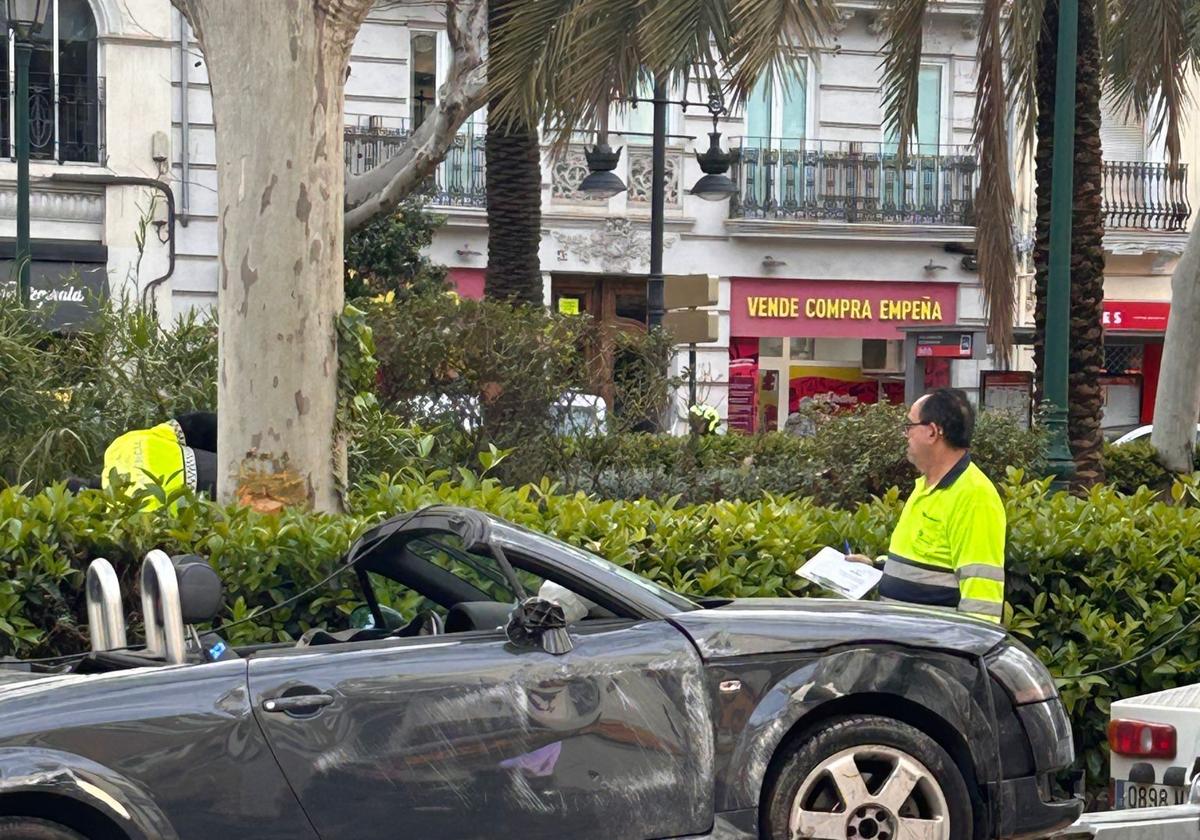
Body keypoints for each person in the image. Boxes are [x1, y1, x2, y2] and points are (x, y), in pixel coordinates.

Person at [847, 389, 1006, 623]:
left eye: (909, 426)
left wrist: (960, 656)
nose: (905, 435)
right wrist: (878, 569)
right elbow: (929, 565)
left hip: (933, 652)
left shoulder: (974, 495)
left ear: (932, 431)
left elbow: (982, 600)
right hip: (907, 646)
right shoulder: (925, 486)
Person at [99, 411, 218, 507]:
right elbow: (196, 425)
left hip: (199, 508)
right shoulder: (118, 447)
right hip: (210, 465)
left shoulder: (120, 515)